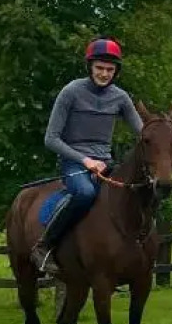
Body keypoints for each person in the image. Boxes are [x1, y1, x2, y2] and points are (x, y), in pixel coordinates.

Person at [31, 36, 144, 279]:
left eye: (110, 69)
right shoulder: (71, 92)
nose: (104, 74)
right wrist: (85, 160)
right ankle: (44, 246)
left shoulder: (121, 97)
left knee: (133, 193)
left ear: (116, 71)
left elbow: (143, 133)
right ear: (90, 67)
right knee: (85, 193)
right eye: (100, 68)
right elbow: (51, 139)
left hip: (106, 162)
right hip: (74, 163)